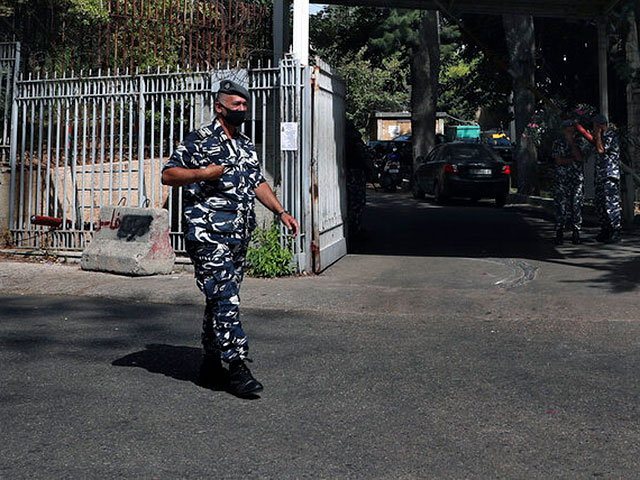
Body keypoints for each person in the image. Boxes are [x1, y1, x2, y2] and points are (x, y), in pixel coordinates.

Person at [161, 79, 299, 397]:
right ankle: (237, 367)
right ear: (219, 107)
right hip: (206, 234)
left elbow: (256, 182)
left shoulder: (246, 144)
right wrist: (201, 174)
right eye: (236, 105)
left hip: (237, 235)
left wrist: (281, 212)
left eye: (245, 105)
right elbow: (168, 174)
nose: (243, 110)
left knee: (218, 299)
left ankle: (210, 363)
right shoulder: (200, 139)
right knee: (226, 298)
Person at [577, 114, 622, 243]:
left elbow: (601, 150)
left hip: (609, 174)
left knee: (610, 204)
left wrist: (597, 135)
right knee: (600, 204)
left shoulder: (610, 136)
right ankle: (605, 229)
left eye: (595, 126)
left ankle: (615, 230)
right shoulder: (602, 137)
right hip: (601, 175)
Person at [551, 119, 586, 245]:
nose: (570, 133)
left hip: (576, 179)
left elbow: (580, 157)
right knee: (561, 205)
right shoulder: (558, 143)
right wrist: (572, 160)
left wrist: (572, 143)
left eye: (572, 131)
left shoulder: (578, 142)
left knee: (576, 205)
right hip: (562, 179)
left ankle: (576, 232)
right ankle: (559, 231)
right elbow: (558, 161)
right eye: (568, 131)